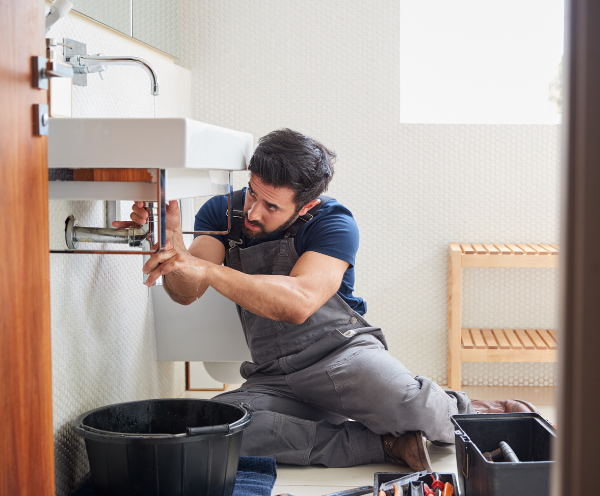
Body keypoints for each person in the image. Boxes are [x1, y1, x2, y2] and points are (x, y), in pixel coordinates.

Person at [120, 129, 537, 470]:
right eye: (252, 194)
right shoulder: (220, 213)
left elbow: (298, 302)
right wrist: (173, 248)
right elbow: (186, 293)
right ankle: (386, 447)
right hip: (273, 374)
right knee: (217, 431)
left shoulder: (334, 223)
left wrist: (209, 268)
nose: (253, 213)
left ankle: (472, 410)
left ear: (307, 206)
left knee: (419, 411)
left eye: (271, 206)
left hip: (342, 356)